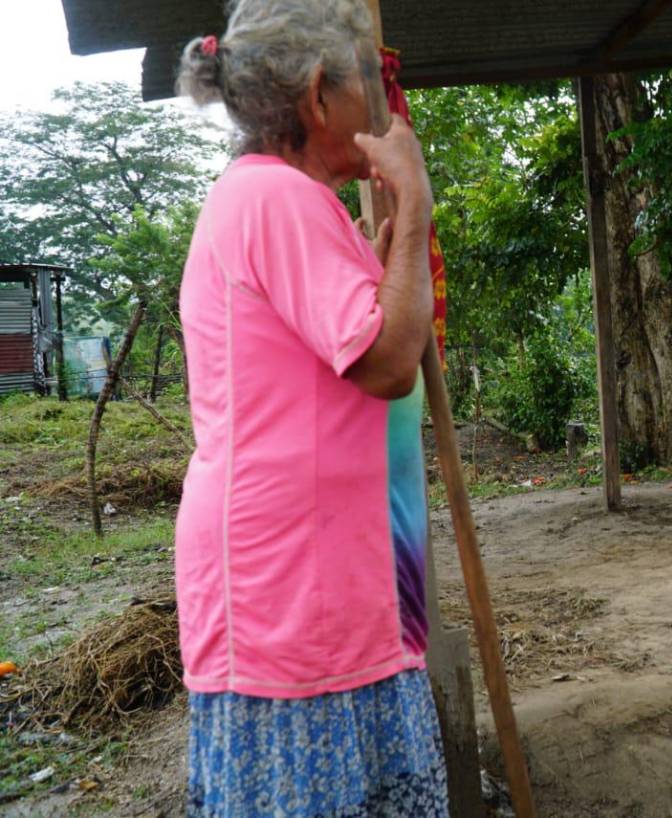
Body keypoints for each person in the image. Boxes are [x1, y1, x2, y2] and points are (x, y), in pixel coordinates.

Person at [174, 1, 447, 815]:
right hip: (292, 588)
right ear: (320, 94)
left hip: (310, 577)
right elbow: (390, 361)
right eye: (372, 82)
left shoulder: (276, 200)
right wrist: (415, 198)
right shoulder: (279, 203)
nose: (386, 107)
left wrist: (394, 235)